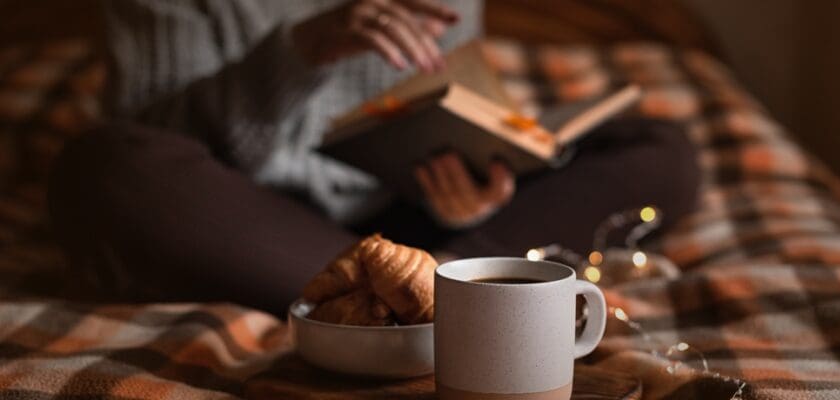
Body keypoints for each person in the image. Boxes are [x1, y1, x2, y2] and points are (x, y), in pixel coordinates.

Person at [48, 0, 699, 316]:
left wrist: (471, 186)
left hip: (407, 225)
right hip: (254, 225)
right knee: (103, 164)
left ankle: (415, 293)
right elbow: (154, 141)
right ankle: (446, 291)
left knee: (658, 148)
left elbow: (437, 108)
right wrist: (300, 51)